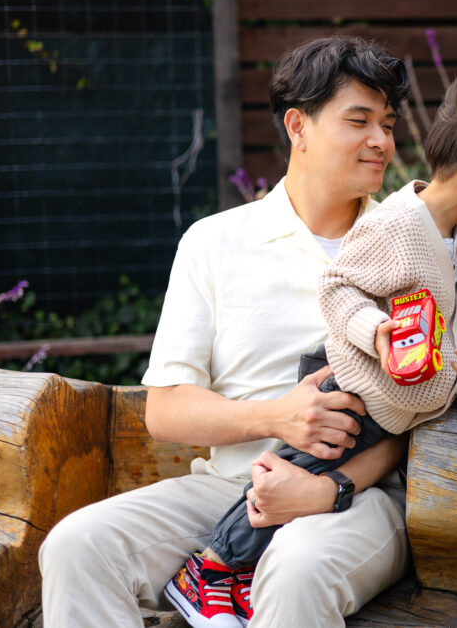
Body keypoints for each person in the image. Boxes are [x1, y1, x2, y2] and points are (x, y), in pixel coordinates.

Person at [39, 36, 416, 628]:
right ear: (299, 126)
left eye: (388, 124)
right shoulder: (215, 242)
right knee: (78, 545)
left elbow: (419, 412)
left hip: (359, 499)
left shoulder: (409, 248)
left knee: (295, 570)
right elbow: (164, 411)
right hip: (227, 488)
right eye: (359, 121)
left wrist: (330, 490)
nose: (382, 142)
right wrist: (278, 419)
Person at [163, 76, 457, 626]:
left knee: (291, 487)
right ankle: (210, 571)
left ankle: (236, 573)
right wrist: (374, 331)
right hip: (349, 392)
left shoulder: (455, 233)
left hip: (384, 403)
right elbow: (337, 288)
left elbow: (443, 329)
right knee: (276, 485)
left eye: (387, 125)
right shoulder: (395, 225)